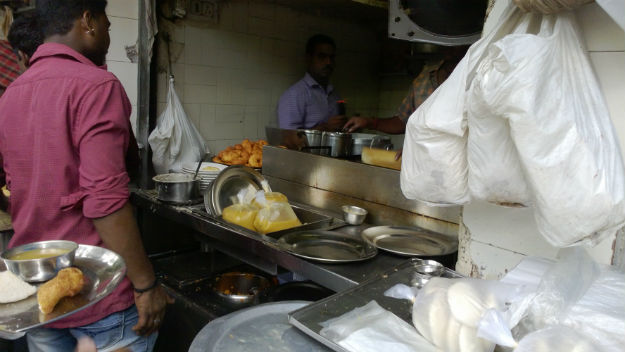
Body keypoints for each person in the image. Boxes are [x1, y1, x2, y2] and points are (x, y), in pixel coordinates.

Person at [0, 1, 172, 351]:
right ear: (87, 21)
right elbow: (105, 201)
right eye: (107, 24)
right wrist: (145, 285)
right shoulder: (96, 86)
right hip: (99, 293)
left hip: (41, 291)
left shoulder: (12, 94)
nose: (108, 34)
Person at [343, 45, 469, 134]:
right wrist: (369, 122)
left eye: (456, 41)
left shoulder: (477, 80)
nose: (450, 45)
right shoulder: (424, 78)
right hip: (420, 166)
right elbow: (403, 121)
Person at [277, 34, 346, 131]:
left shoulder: (335, 95)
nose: (328, 62)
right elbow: (289, 139)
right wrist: (326, 127)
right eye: (322, 56)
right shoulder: (294, 95)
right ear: (309, 58)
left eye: (331, 57)